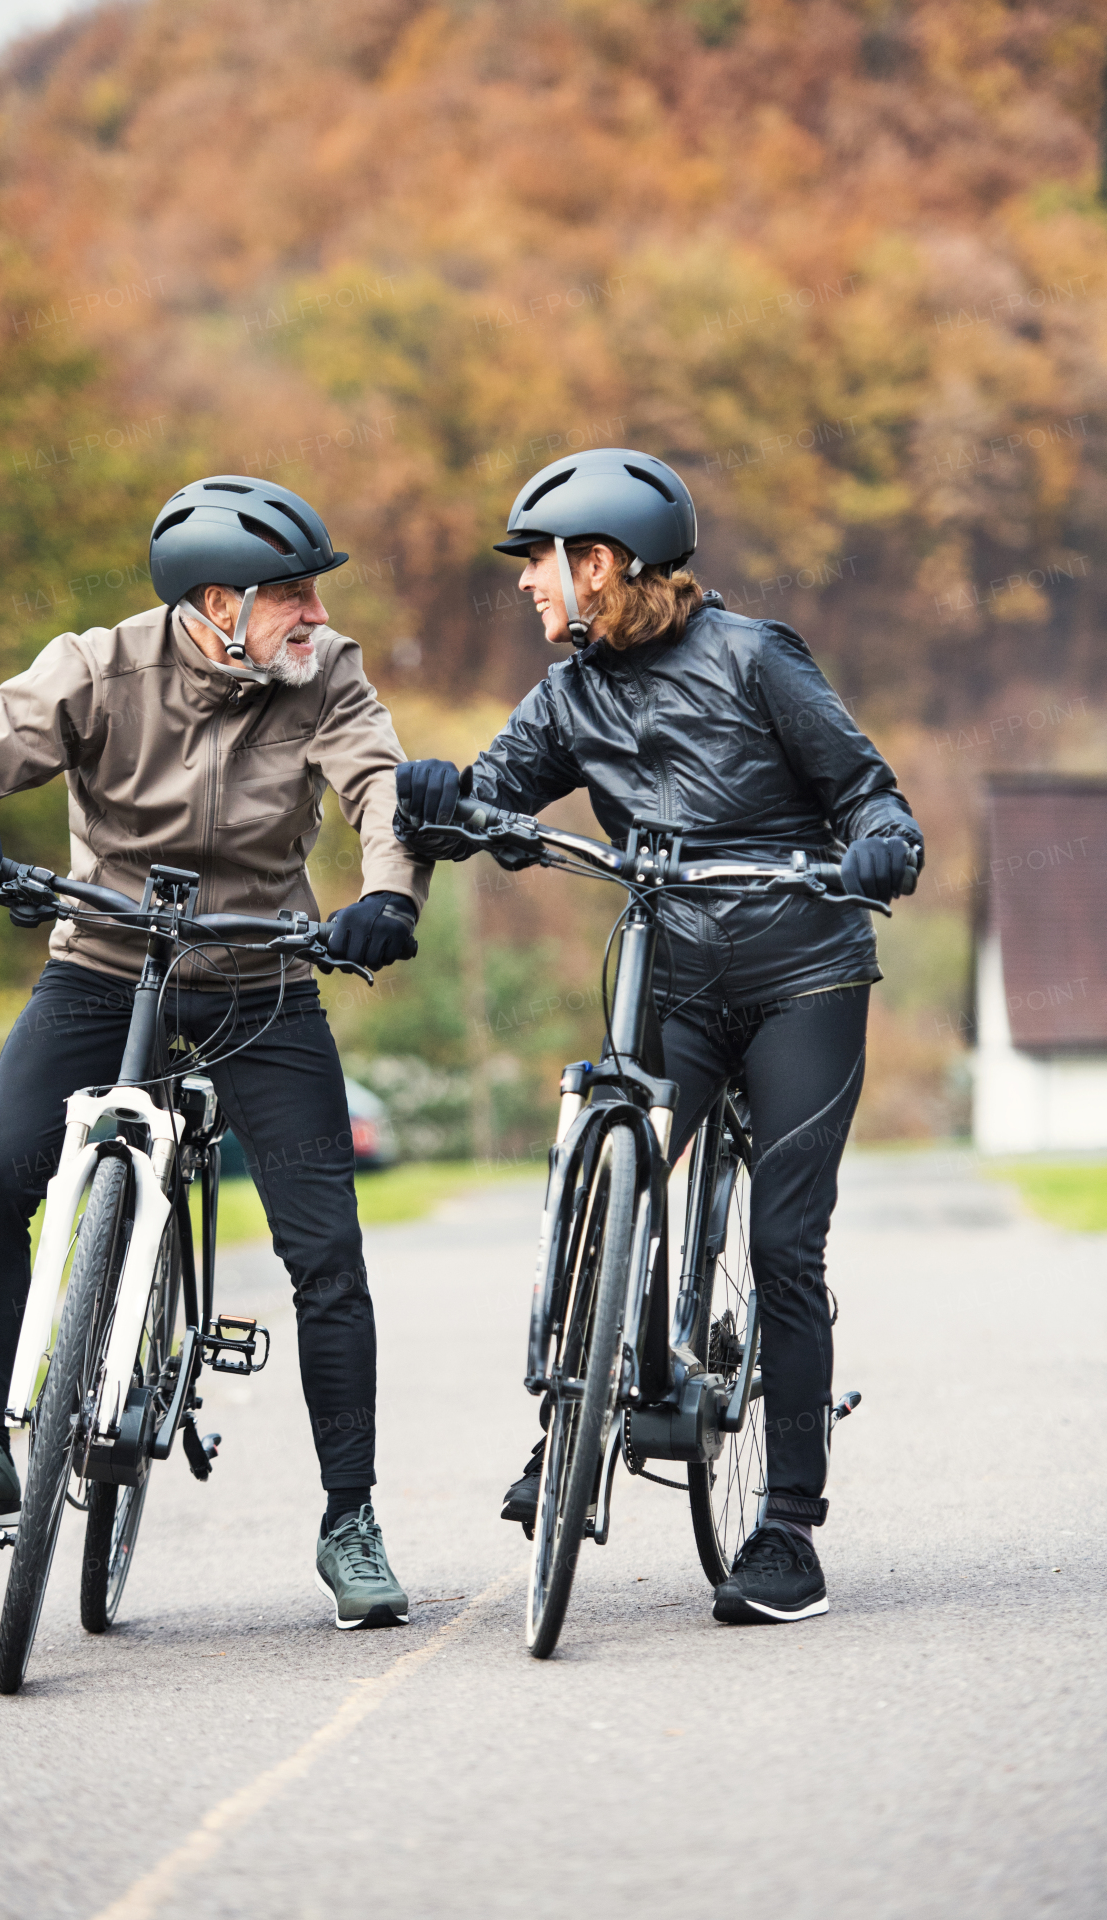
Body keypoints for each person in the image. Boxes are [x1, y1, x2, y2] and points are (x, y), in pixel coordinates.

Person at [0, 474, 430, 1631]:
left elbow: (381, 791)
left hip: (263, 978)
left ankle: (349, 1520)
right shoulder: (96, 667)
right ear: (214, 604)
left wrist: (388, 898)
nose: (316, 617)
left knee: (325, 1252)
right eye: (294, 596)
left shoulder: (325, 678)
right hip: (102, 967)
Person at [395, 447, 924, 1627]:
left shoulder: (754, 656)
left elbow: (864, 790)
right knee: (604, 1166)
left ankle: (786, 1533)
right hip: (670, 977)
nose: (528, 586)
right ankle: (574, 1417)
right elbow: (496, 793)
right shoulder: (568, 690)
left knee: (785, 1246)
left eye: (540, 562)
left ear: (601, 564)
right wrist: (442, 803)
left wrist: (885, 841)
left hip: (802, 971)